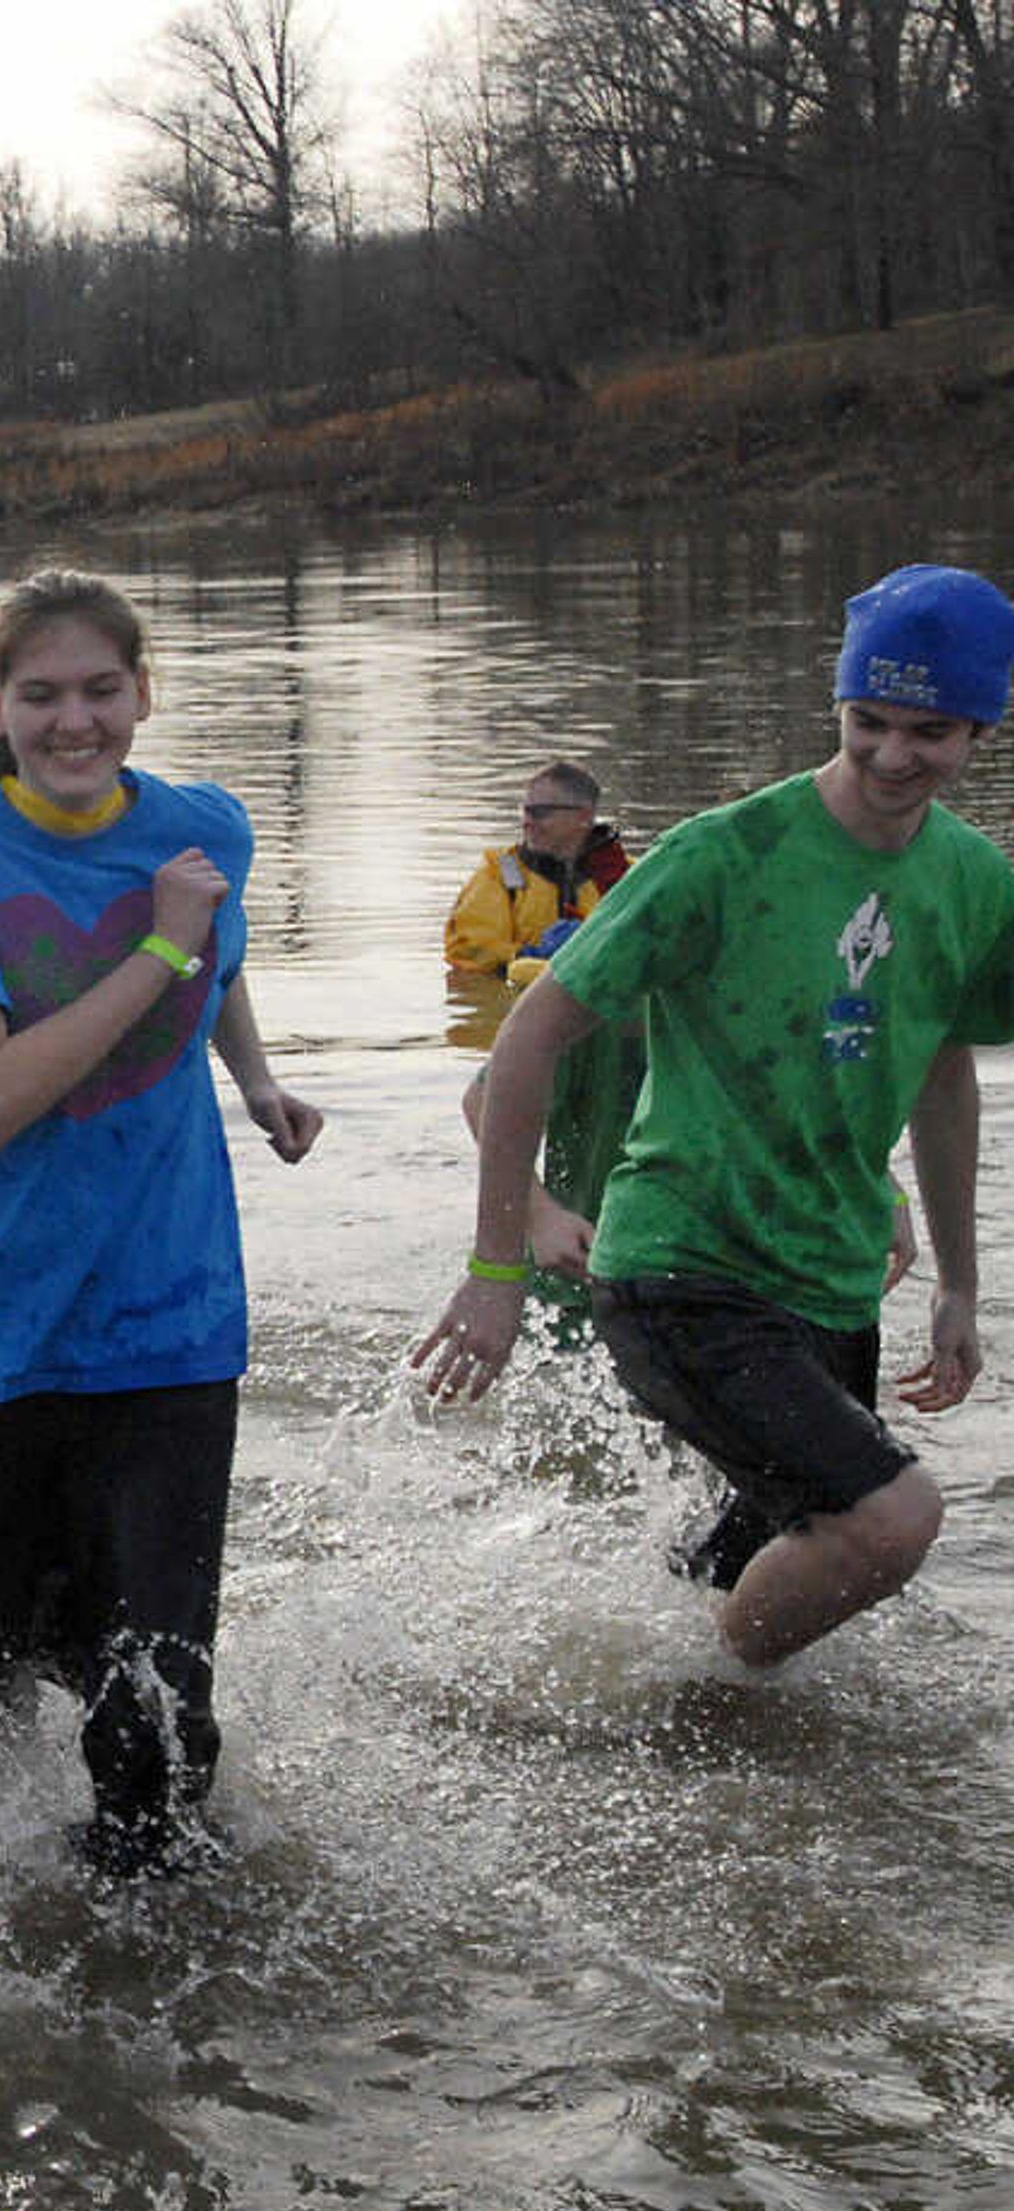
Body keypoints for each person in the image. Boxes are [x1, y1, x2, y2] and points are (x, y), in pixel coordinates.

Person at [417, 563, 1014, 1668]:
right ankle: (706, 1708)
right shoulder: (722, 853)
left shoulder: (976, 882)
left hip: (828, 1275)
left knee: (749, 1565)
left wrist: (962, 1289)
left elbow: (941, 1070)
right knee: (891, 1519)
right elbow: (525, 1040)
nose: (892, 755)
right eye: (866, 721)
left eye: (928, 731)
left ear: (982, 724)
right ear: (835, 705)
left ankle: (616, 1696)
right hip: (680, 1266)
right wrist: (500, 1261)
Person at [0, 569, 325, 1877]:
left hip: (166, 1326)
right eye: (41, 695)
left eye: (103, 689)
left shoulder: (203, 828)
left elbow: (221, 958)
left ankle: (151, 2019)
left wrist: (255, 1076)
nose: (74, 720)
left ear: (145, 694)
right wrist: (155, 953)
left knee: (155, 1729)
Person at [445, 759, 631, 974]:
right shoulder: (503, 871)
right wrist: (525, 956)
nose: (527, 822)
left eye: (540, 812)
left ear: (583, 816)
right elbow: (467, 949)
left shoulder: (625, 876)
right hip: (515, 1000)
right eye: (524, 811)